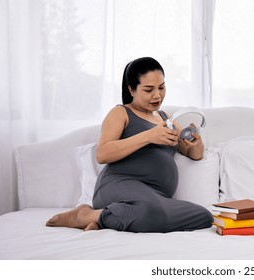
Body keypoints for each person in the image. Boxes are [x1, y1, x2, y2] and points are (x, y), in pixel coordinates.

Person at [46, 57, 214, 232]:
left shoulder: (165, 118)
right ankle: (85, 215)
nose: (157, 95)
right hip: (119, 185)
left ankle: (105, 218)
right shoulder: (121, 113)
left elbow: (194, 154)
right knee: (151, 212)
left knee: (204, 217)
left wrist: (195, 144)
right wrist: (149, 136)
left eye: (161, 87)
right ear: (132, 90)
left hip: (156, 197)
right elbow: (102, 154)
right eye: (149, 89)